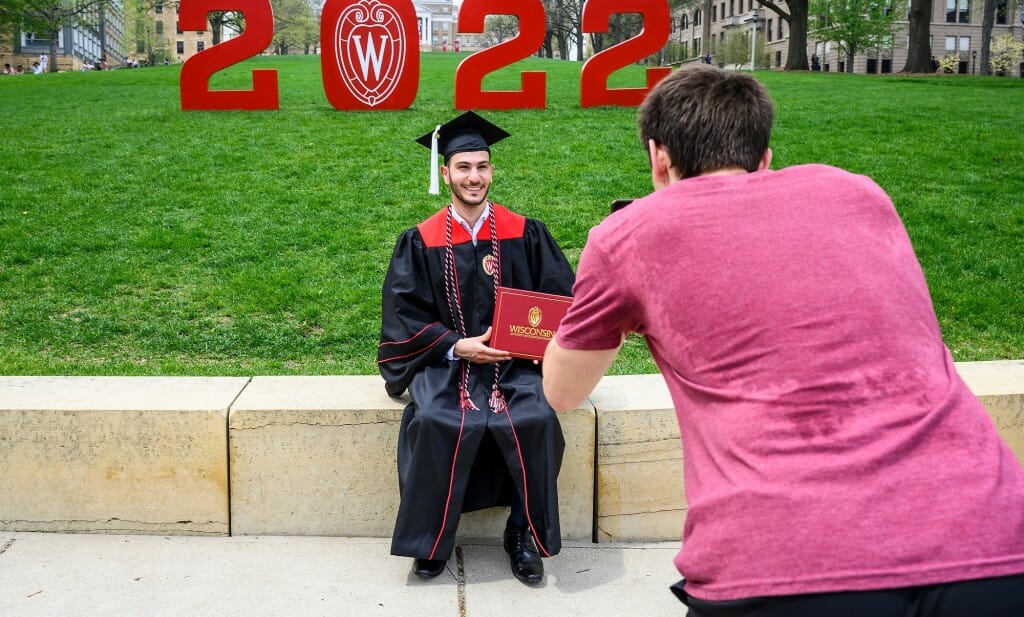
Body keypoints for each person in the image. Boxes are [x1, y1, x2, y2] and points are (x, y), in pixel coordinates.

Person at [543, 65, 1024, 615]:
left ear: (658, 156)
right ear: (765, 154)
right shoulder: (861, 194)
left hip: (782, 560)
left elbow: (561, 390)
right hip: (990, 534)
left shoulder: (630, 233)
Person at [378, 111, 575, 583]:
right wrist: (455, 346)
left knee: (538, 419)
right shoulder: (419, 241)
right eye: (463, 167)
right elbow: (402, 319)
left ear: (491, 170)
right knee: (433, 419)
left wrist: (534, 344)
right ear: (445, 172)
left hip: (513, 366)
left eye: (482, 166)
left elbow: (561, 302)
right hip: (448, 366)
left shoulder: (525, 232)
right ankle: (431, 540)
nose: (474, 177)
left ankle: (522, 532)